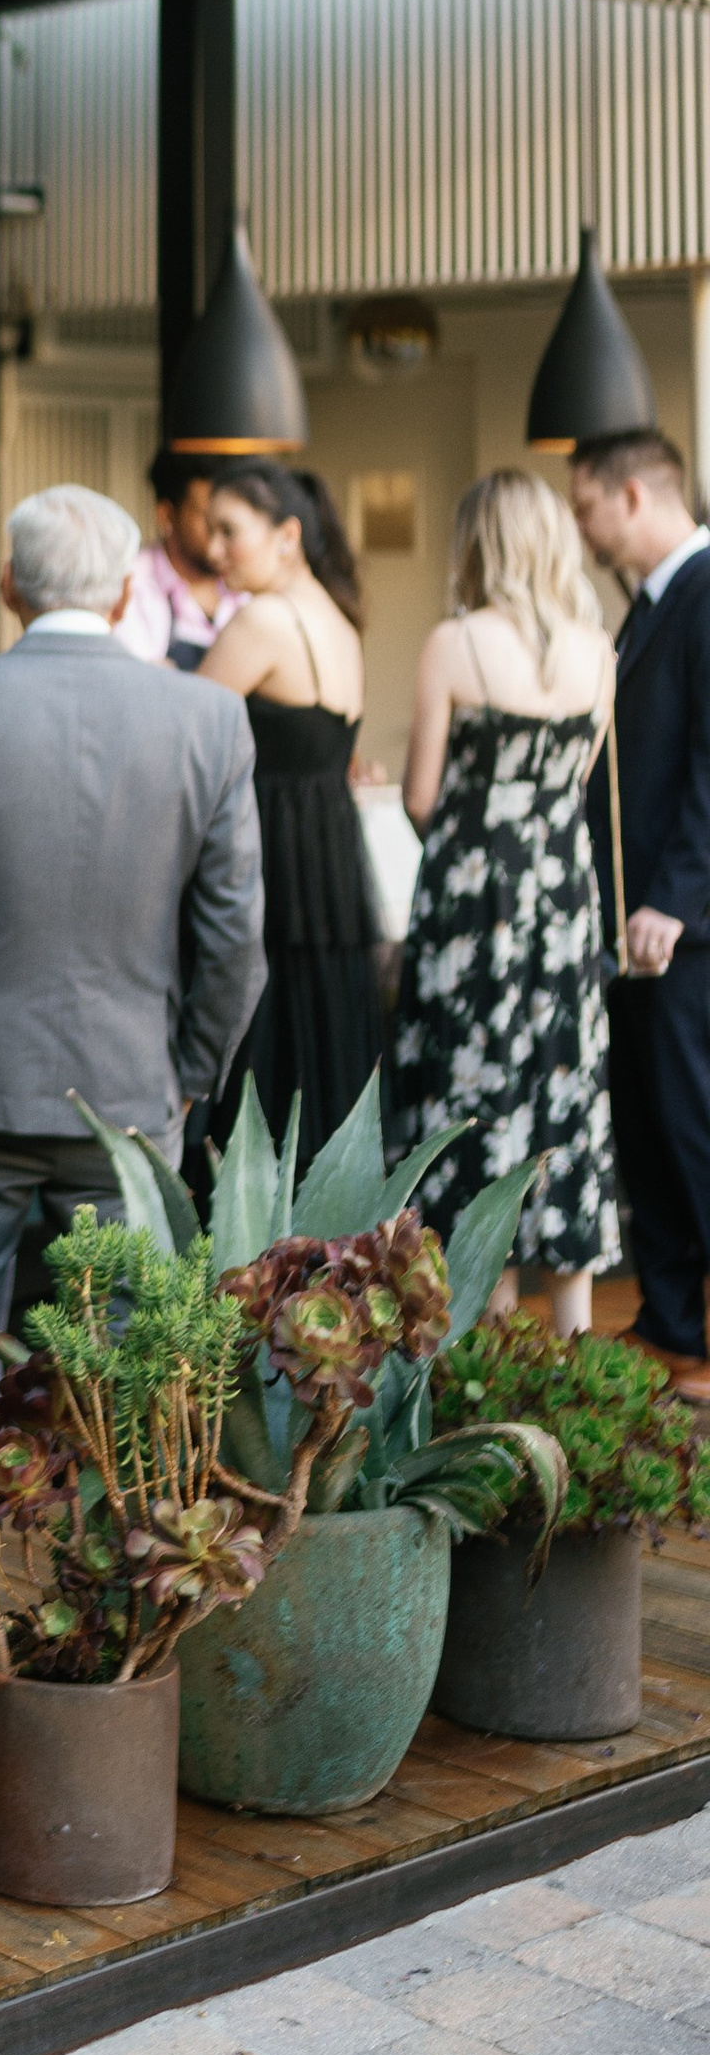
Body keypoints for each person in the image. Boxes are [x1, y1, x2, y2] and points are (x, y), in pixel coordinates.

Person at [0, 484, 265, 1440]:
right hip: (132, 1086)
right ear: (125, 592)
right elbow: (235, 938)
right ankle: (126, 1544)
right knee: (131, 1374)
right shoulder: (208, 717)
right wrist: (188, 1073)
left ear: (8, 584)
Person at [392, 470, 616, 1341]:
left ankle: (486, 1334)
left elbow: (421, 795)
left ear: (478, 545)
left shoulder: (454, 643)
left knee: (473, 1093)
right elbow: (577, 783)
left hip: (474, 903)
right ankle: (575, 1343)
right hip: (560, 898)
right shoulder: (597, 651)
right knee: (564, 1090)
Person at [572, 424, 710, 1402]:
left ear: (632, 495)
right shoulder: (652, 601)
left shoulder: (704, 590)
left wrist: (672, 898)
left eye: (585, 506)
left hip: (679, 923)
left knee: (692, 1123)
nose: (581, 528)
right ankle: (670, 1327)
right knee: (650, 1123)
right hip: (632, 919)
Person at [197, 462, 381, 1159]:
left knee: (267, 1063)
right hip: (329, 862)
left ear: (287, 536)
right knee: (322, 1051)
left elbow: (188, 733)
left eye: (229, 531)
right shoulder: (339, 619)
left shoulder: (264, 620)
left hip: (274, 861)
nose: (214, 549)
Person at [114, 446, 244, 673]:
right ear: (166, 515)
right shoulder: (132, 584)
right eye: (208, 518)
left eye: (228, 520)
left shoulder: (248, 584)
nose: (220, 536)